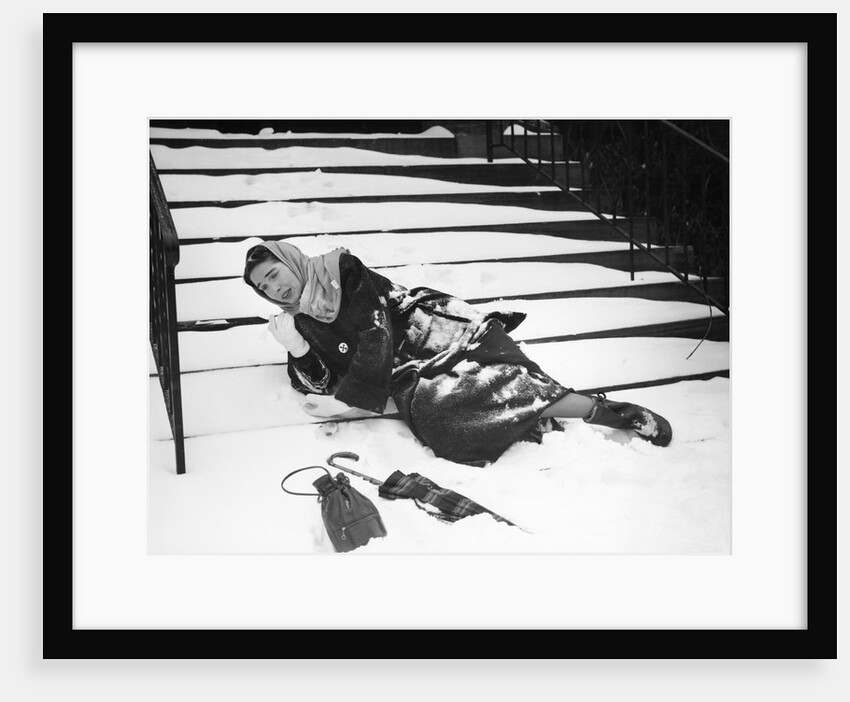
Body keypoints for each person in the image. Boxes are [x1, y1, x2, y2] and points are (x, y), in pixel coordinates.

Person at [243, 241, 672, 466]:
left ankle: (604, 412)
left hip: (431, 332)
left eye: (274, 274)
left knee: (494, 371)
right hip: (402, 373)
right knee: (437, 415)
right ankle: (526, 422)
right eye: (263, 288)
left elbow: (376, 332)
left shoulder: (342, 271)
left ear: (290, 261)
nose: (274, 288)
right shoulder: (296, 319)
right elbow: (313, 380)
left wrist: (346, 397)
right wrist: (297, 349)